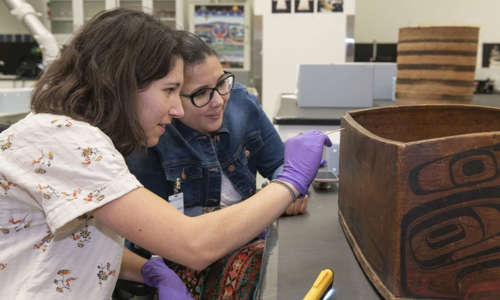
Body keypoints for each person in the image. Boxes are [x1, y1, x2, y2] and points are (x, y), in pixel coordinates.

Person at [0, 8, 331, 300]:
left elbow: (83, 237)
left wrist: (145, 271)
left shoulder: (79, 139)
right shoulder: (64, 142)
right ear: (122, 84)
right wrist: (288, 182)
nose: (176, 110)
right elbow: (194, 245)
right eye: (170, 90)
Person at [124, 30, 310, 299]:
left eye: (222, 83)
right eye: (201, 93)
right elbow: (165, 236)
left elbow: (282, 164)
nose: (219, 101)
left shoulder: (241, 103)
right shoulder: (150, 135)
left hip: (245, 236)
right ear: (172, 95)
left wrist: (290, 184)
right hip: (181, 253)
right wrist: (274, 198)